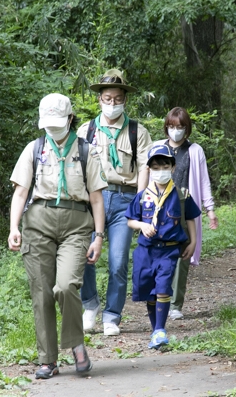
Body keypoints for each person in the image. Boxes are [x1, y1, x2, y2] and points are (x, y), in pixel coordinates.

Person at [7, 93, 107, 379]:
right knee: (41, 293)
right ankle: (47, 360)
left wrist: (98, 236)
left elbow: (97, 199)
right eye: (48, 123)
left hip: (76, 224)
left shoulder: (86, 150)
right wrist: (14, 228)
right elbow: (21, 192)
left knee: (65, 287)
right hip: (38, 223)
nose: (52, 128)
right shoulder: (34, 149)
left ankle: (76, 343)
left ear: (70, 119)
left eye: (58, 122)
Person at [78, 69, 153, 336]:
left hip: (124, 199)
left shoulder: (137, 131)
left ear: (125, 100)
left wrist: (141, 200)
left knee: (118, 261)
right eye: (107, 98)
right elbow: (76, 169)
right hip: (91, 200)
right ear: (99, 99)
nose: (112, 104)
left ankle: (112, 315)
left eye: (118, 99)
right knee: (84, 256)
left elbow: (145, 166)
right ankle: (90, 305)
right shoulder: (85, 130)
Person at [125, 144, 201, 349]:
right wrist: (142, 225)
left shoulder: (181, 194)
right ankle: (155, 330)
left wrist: (193, 242)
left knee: (163, 287)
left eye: (165, 166)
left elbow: (191, 217)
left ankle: (160, 329)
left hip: (169, 250)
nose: (161, 171)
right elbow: (130, 221)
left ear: (173, 167)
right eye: (156, 167)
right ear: (149, 169)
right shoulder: (142, 196)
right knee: (149, 290)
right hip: (146, 250)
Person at [152, 107, 218, 320]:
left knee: (182, 257)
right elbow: (146, 177)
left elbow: (203, 181)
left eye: (180, 127)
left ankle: (175, 304)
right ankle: (158, 297)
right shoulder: (157, 148)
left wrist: (210, 210)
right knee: (159, 255)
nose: (176, 131)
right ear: (166, 127)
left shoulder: (194, 150)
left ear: (186, 129)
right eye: (172, 127)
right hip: (159, 208)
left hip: (184, 209)